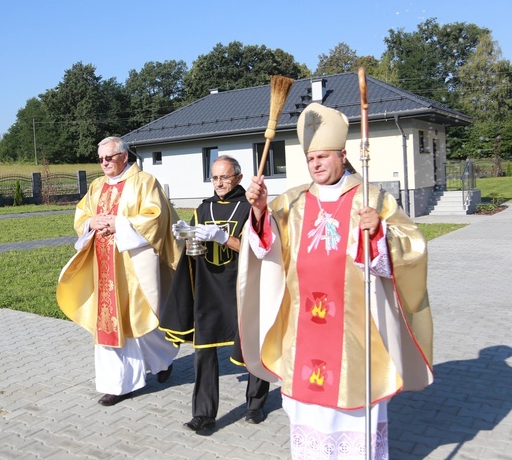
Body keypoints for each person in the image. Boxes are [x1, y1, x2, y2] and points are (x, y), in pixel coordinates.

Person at [238, 102, 433, 459]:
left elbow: (412, 247)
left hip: (356, 330)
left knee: (354, 410)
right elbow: (267, 251)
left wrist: (379, 233)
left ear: (342, 156)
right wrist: (260, 211)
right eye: (311, 159)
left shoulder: (371, 197)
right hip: (302, 328)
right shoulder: (292, 200)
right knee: (308, 413)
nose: (317, 165)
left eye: (324, 157)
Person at [57, 136, 182, 406]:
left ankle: (163, 358)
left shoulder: (144, 182)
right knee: (108, 325)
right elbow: (82, 214)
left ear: (124, 156)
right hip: (102, 266)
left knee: (141, 320)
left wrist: (119, 224)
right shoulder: (96, 185)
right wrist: (92, 221)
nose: (104, 163)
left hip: (132, 264)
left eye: (109, 158)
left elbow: (156, 217)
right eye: (100, 159)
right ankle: (118, 384)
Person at [161, 155, 270, 432]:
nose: (219, 183)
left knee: (251, 345)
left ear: (239, 178)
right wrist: (187, 236)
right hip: (208, 288)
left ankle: (255, 404)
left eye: (225, 177)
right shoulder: (203, 208)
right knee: (204, 350)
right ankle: (203, 412)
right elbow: (194, 249)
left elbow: (258, 249)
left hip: (241, 287)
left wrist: (223, 238)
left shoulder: (251, 208)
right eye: (215, 177)